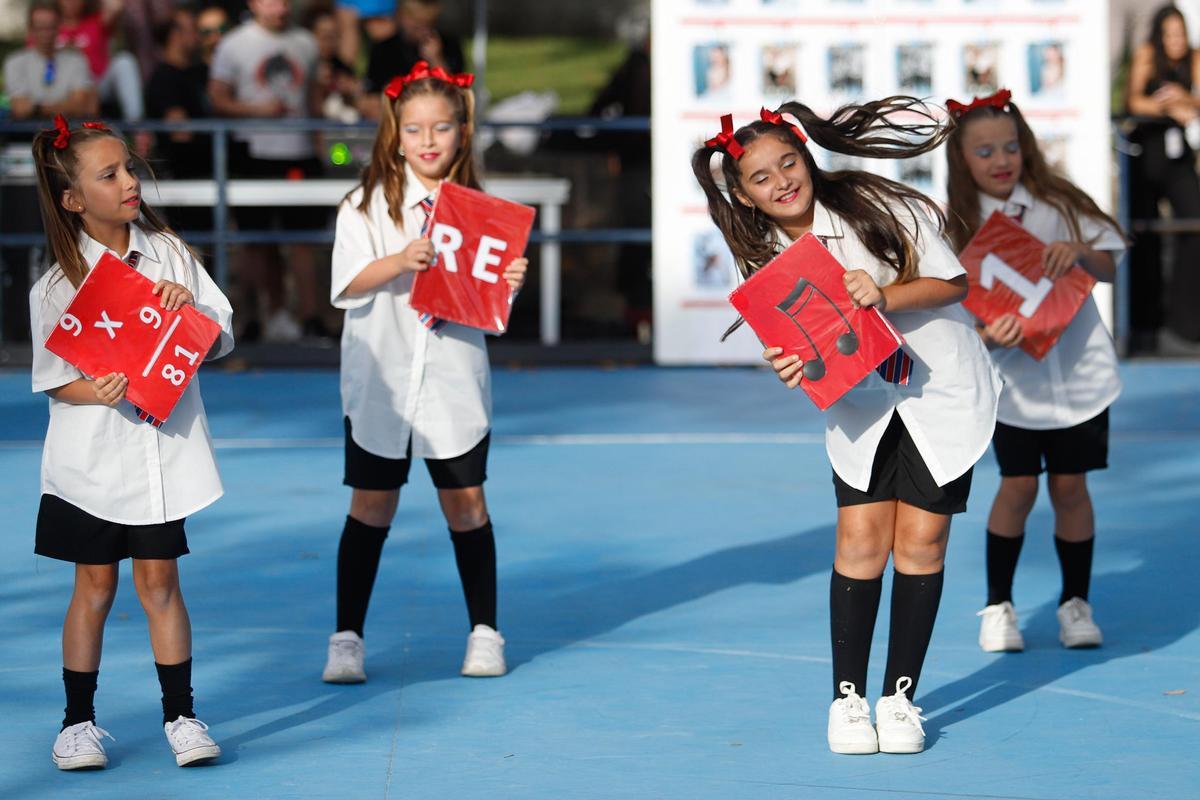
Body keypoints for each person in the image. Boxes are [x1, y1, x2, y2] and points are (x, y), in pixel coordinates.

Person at [693, 100, 1000, 755]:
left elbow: (952, 282)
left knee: (922, 544)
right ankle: (848, 701)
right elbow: (808, 345)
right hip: (862, 403)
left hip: (939, 390)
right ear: (743, 195)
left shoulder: (879, 207)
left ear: (807, 157)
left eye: (788, 162)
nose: (782, 180)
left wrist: (885, 295)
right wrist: (792, 364)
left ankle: (899, 698)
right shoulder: (764, 257)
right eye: (761, 177)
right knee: (860, 540)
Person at [29, 117, 234, 770]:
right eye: (108, 175)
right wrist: (101, 389)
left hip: (159, 462)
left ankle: (182, 716)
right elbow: (56, 384)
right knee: (93, 588)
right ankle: (77, 724)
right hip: (89, 466)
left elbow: (219, 332)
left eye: (129, 169)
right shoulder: (57, 286)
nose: (127, 184)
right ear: (71, 199)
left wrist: (187, 311)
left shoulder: (169, 252)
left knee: (161, 584)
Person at [322, 61, 527, 686]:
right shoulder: (362, 207)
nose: (429, 141)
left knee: (466, 504)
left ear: (462, 132)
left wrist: (509, 283)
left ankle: (485, 632)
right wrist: (399, 260)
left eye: (441, 127)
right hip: (381, 381)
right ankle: (347, 637)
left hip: (453, 381)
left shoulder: (484, 214)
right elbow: (344, 286)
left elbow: (491, 315)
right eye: (415, 129)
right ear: (396, 132)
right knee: (371, 506)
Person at [944, 89, 1126, 655]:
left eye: (1011, 146)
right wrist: (982, 336)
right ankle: (999, 606)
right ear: (960, 159)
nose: (1001, 160)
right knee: (1017, 486)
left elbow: (1110, 263)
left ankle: (1076, 603)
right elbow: (949, 311)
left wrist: (1078, 252)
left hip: (1080, 377)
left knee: (1071, 486)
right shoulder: (955, 225)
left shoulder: (1059, 202)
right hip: (1013, 384)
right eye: (984, 152)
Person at [208, 0, 328, 341]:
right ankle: (251, 319)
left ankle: (310, 319)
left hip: (300, 153)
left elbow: (315, 96)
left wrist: (320, 140)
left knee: (303, 241)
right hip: (254, 151)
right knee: (255, 242)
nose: (281, 7)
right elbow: (217, 98)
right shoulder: (234, 44)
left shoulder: (305, 42)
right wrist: (256, 110)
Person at [1124, 4, 1200, 353]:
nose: (1175, 40)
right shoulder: (1146, 55)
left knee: (1194, 223)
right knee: (1145, 236)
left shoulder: (1195, 59)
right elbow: (1134, 101)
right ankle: (1145, 323)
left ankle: (1185, 321)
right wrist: (1170, 106)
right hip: (1148, 156)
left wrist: (1186, 99)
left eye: (1179, 33)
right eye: (1168, 33)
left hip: (1180, 158)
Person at [144, 7, 213, 233]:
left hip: (205, 178)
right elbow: (180, 132)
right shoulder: (164, 78)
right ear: (175, 36)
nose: (198, 36)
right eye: (193, 30)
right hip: (183, 179)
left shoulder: (198, 73)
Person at [361, 0, 464, 120]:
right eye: (414, 21)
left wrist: (435, 59)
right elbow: (371, 94)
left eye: (425, 23)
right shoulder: (384, 49)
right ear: (401, 17)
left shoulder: (449, 45)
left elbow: (456, 94)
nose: (419, 28)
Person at [4, 0, 98, 123]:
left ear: (59, 26)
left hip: (68, 134)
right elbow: (20, 109)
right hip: (25, 136)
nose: (46, 33)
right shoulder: (15, 62)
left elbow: (80, 107)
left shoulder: (76, 60)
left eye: (51, 27)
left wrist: (36, 107)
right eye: (40, 27)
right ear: (30, 28)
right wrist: (65, 105)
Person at [56, 0, 144, 121]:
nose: (72, 2)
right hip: (63, 87)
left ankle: (137, 124)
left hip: (98, 83)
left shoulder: (96, 21)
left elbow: (116, 6)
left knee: (124, 61)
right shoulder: (48, 27)